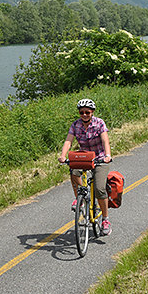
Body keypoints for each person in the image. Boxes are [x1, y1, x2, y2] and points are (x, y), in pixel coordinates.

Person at [57, 98, 114, 236]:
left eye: (87, 112)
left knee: (100, 189)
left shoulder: (99, 123)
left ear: (92, 112)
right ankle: (80, 199)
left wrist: (107, 155)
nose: (84, 115)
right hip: (84, 156)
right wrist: (63, 156)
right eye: (81, 112)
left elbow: (105, 140)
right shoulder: (75, 125)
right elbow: (68, 141)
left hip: (99, 158)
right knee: (73, 170)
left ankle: (105, 220)